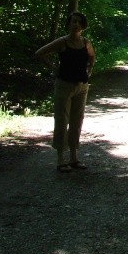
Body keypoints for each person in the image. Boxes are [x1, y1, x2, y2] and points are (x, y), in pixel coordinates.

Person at [35, 11, 96, 173]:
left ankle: (74, 157)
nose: (75, 25)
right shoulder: (62, 42)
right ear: (68, 24)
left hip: (82, 86)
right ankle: (61, 159)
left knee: (77, 121)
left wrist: (89, 71)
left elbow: (92, 58)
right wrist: (54, 68)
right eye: (72, 22)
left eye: (78, 22)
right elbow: (40, 53)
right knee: (62, 121)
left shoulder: (86, 42)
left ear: (83, 26)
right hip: (64, 85)